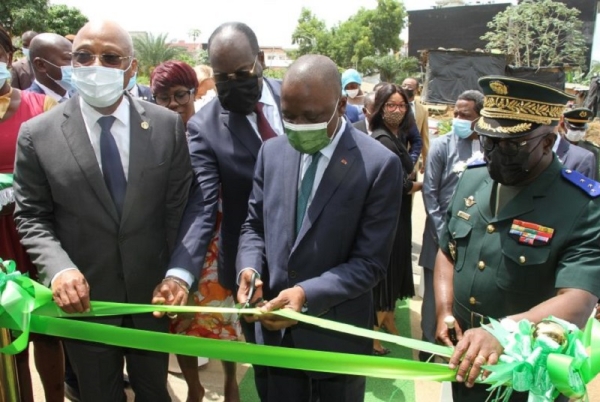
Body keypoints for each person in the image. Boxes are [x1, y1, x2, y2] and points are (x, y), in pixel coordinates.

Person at [13, 20, 193, 402]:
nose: (96, 64)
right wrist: (59, 269)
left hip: (152, 298)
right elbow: (31, 216)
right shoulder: (37, 134)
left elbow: (183, 210)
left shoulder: (166, 127)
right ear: (71, 63)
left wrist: (178, 274)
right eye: (83, 55)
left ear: (131, 67)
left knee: (154, 393)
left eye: (111, 57)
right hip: (86, 304)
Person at [236, 54, 403, 402]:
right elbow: (254, 225)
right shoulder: (272, 152)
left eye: (311, 117)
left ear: (341, 105)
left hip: (335, 342)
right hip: (274, 338)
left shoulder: (379, 166)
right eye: (289, 116)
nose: (297, 125)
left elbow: (370, 263)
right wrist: (249, 268)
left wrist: (305, 294)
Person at [434, 76, 600, 402]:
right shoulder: (472, 179)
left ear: (548, 142)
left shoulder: (582, 205)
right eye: (488, 141)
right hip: (468, 356)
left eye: (512, 145)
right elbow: (448, 250)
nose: (495, 154)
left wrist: (504, 331)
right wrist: (444, 309)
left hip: (528, 371)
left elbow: (579, 299)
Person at [152, 22, 284, 401]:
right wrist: (179, 275)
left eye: (241, 74)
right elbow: (204, 206)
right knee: (269, 369)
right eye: (221, 77)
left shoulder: (298, 96)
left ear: (260, 62)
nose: (231, 84)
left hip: (315, 258)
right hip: (252, 268)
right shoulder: (204, 129)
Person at [150, 60, 241, 402]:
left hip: (215, 244)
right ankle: (194, 387)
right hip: (173, 247)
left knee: (224, 320)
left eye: (180, 95)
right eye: (162, 97)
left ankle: (231, 381)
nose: (172, 103)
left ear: (194, 93)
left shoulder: (213, 130)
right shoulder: (151, 137)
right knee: (180, 322)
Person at [0, 25, 63, 402]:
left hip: (35, 237)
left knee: (48, 333)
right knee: (9, 341)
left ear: (9, 57)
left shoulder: (41, 107)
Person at [418, 90, 484, 362]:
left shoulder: (488, 147)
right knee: (435, 296)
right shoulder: (441, 145)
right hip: (441, 234)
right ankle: (429, 347)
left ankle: (461, 348)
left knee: (467, 294)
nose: (458, 118)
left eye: (464, 115)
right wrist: (445, 233)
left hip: (476, 239)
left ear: (479, 117)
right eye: (455, 113)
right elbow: (429, 192)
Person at [368, 83, 422, 355]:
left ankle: (388, 317)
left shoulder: (396, 134)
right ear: (380, 107)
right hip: (389, 216)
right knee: (386, 275)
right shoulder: (383, 139)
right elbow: (395, 183)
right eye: (391, 105)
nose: (397, 111)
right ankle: (373, 336)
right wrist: (418, 186)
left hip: (400, 214)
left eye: (401, 105)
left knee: (398, 264)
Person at [27, 33, 74, 102]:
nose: (76, 65)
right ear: (41, 65)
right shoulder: (27, 105)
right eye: (68, 59)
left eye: (76, 58)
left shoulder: (80, 97)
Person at [553, 107, 596, 179]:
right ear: (563, 126)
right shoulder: (554, 144)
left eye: (582, 129)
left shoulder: (592, 151)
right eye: (574, 129)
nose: (578, 132)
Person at [402, 77, 430, 172]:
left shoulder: (423, 110)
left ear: (417, 89)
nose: (406, 88)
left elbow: (424, 136)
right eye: (404, 85)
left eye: (409, 86)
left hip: (413, 156)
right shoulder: (394, 106)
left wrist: (426, 161)